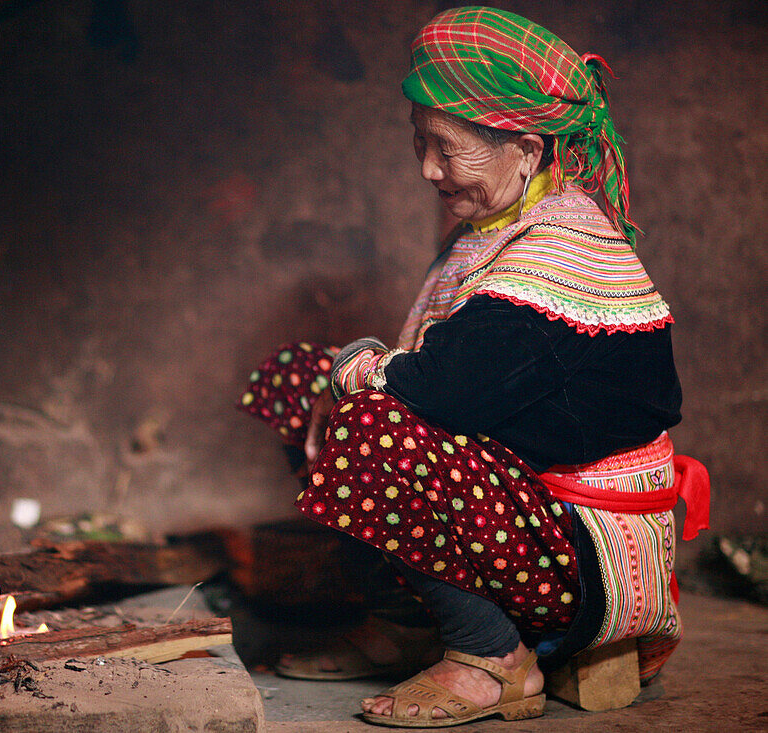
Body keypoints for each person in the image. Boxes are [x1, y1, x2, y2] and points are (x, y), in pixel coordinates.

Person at [239, 6, 709, 728]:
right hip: (519, 514)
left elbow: (442, 392)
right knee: (301, 380)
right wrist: (349, 371)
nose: (428, 168)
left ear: (524, 147)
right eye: (419, 143)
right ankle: (407, 622)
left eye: (446, 149)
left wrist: (365, 367)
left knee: (371, 424)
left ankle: (492, 655)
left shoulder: (557, 258)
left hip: (577, 558)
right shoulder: (495, 227)